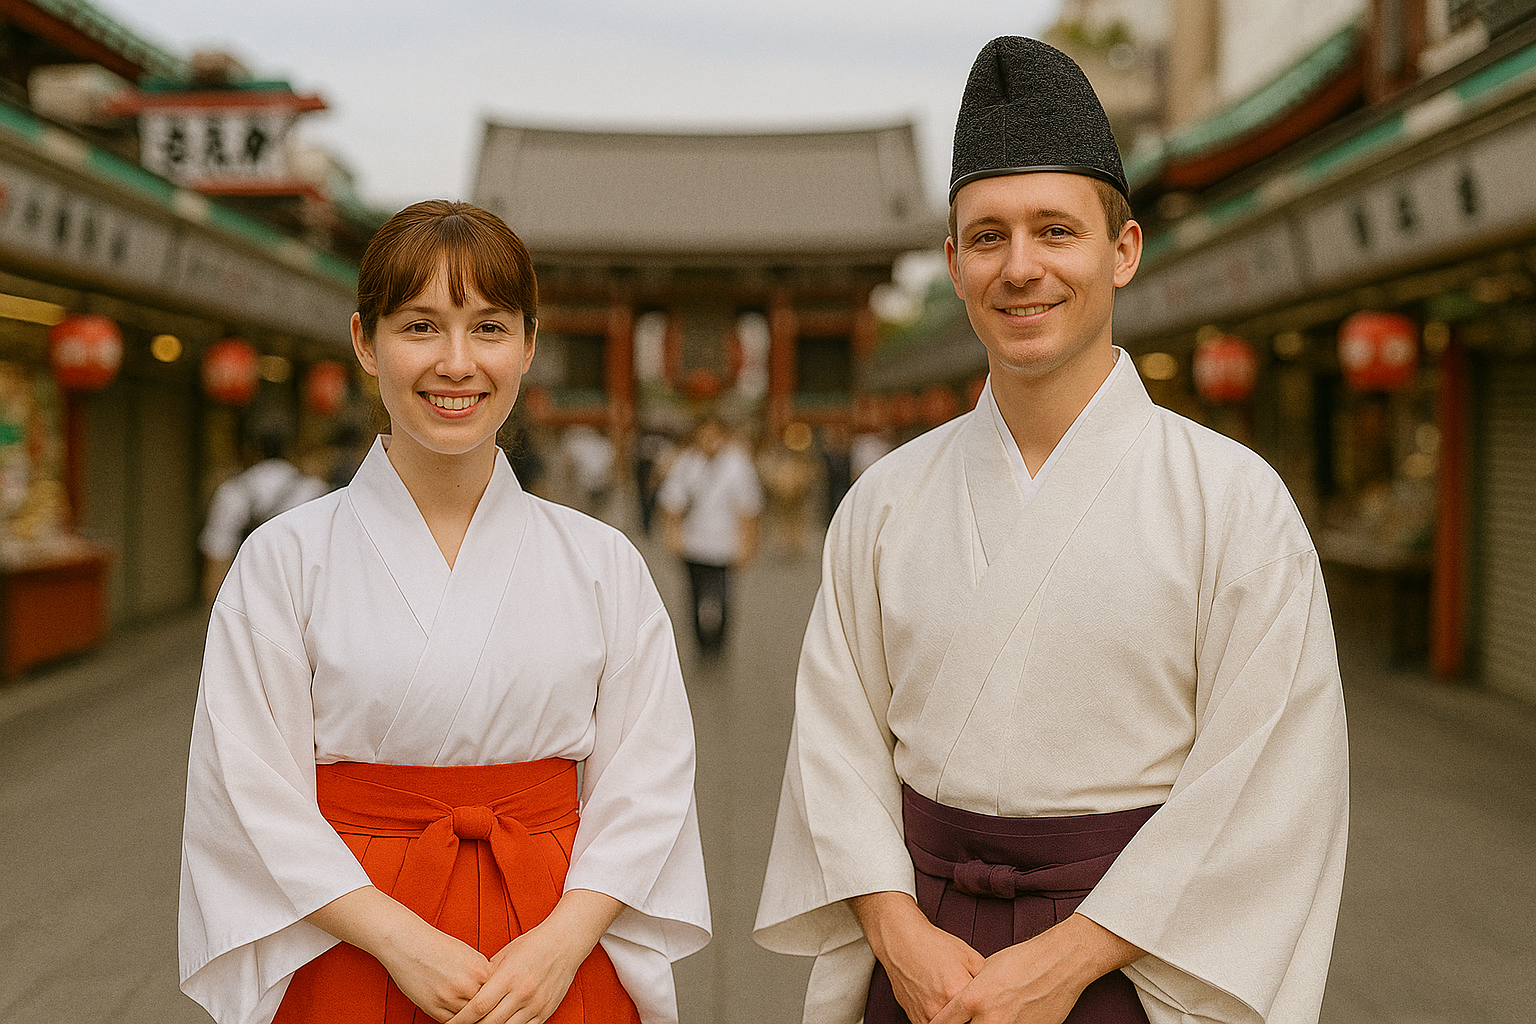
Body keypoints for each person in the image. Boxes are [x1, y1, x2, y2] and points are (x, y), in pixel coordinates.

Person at [755, 37, 1347, 1024]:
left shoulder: (1235, 503)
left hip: (1128, 973)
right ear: (952, 263)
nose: (1020, 268)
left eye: (1054, 231)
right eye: (987, 237)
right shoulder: (884, 503)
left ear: (1123, 250)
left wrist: (1067, 958)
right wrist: (895, 934)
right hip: (921, 965)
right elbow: (836, 749)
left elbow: (1271, 779)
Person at [180, 200, 709, 1024]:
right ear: (365, 340)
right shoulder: (283, 561)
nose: (456, 363)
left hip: (553, 949)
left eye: (489, 328)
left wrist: (564, 941)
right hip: (351, 941)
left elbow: (649, 779)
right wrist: (398, 939)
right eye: (420, 326)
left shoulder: (602, 563)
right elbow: (247, 787)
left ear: (529, 346)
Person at [658, 413, 763, 655]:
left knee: (723, 597)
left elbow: (748, 508)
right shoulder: (687, 463)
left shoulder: (738, 464)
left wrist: (748, 544)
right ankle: (701, 644)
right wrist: (672, 534)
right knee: (693, 595)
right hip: (694, 542)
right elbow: (671, 502)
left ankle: (719, 644)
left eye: (714, 435)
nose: (709, 440)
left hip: (725, 543)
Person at [198, 424, 327, 603]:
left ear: (249, 449)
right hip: (301, 600)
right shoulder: (314, 490)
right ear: (292, 449)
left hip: (247, 600)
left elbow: (217, 559)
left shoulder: (232, 492)